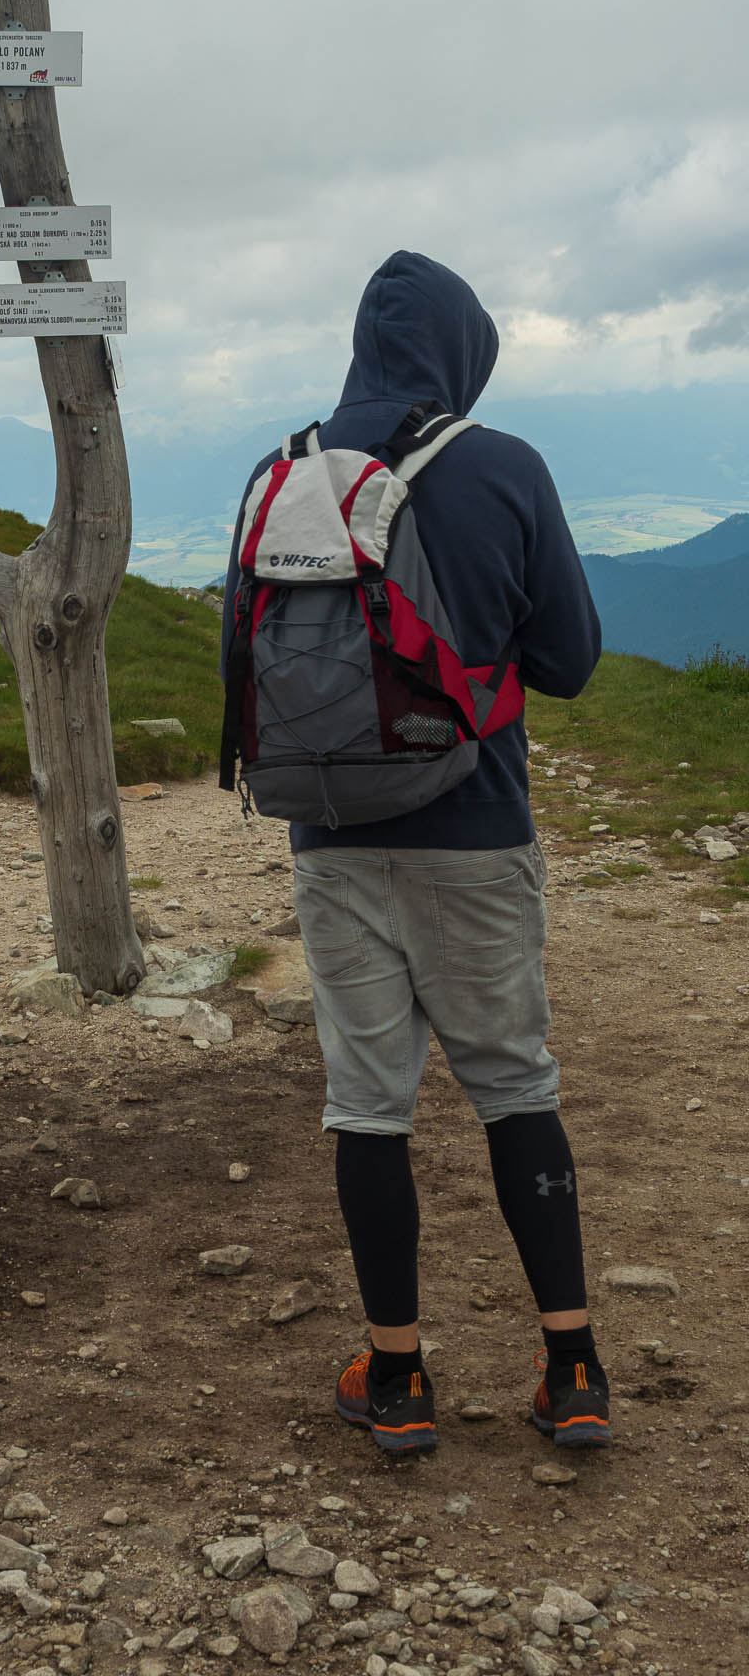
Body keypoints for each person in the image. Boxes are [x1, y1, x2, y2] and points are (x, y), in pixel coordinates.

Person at [222, 251, 607, 1455]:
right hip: (476, 833)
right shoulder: (500, 467)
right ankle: (571, 1369)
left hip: (330, 837)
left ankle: (394, 1381)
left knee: (367, 1106)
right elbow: (571, 663)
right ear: (464, 349)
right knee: (512, 1087)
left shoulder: (279, 472)